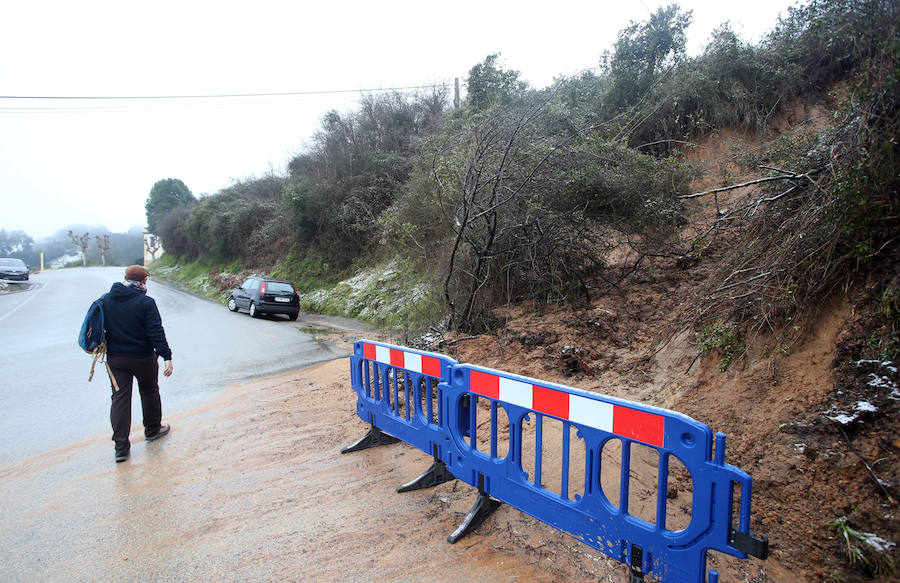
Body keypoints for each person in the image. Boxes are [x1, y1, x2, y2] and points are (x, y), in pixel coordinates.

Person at [104, 265, 173, 462]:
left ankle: (121, 448)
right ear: (142, 282)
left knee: (120, 400)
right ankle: (152, 430)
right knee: (149, 391)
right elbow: (155, 333)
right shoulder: (146, 302)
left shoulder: (106, 300)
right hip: (143, 357)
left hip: (116, 360)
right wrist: (166, 356)